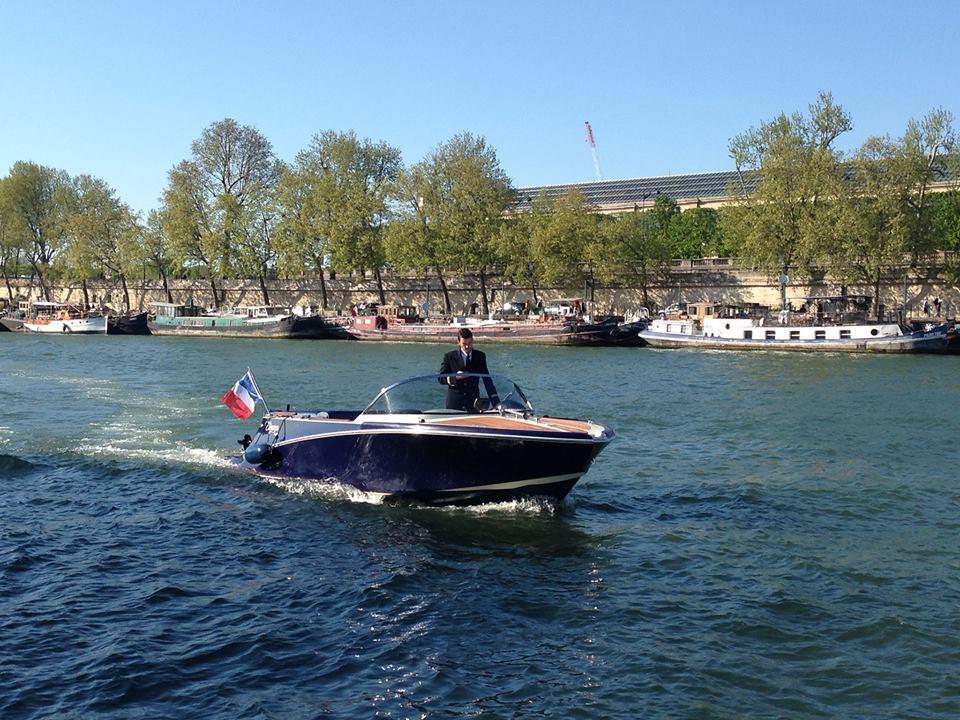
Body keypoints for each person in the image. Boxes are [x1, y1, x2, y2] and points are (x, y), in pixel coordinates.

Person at [439, 328, 498, 411]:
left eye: (470, 343)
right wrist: (455, 377)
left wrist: (496, 402)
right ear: (458, 342)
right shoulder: (449, 356)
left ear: (472, 340)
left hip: (474, 402)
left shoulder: (480, 356)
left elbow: (487, 379)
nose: (467, 346)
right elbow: (441, 378)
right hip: (455, 402)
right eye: (464, 344)